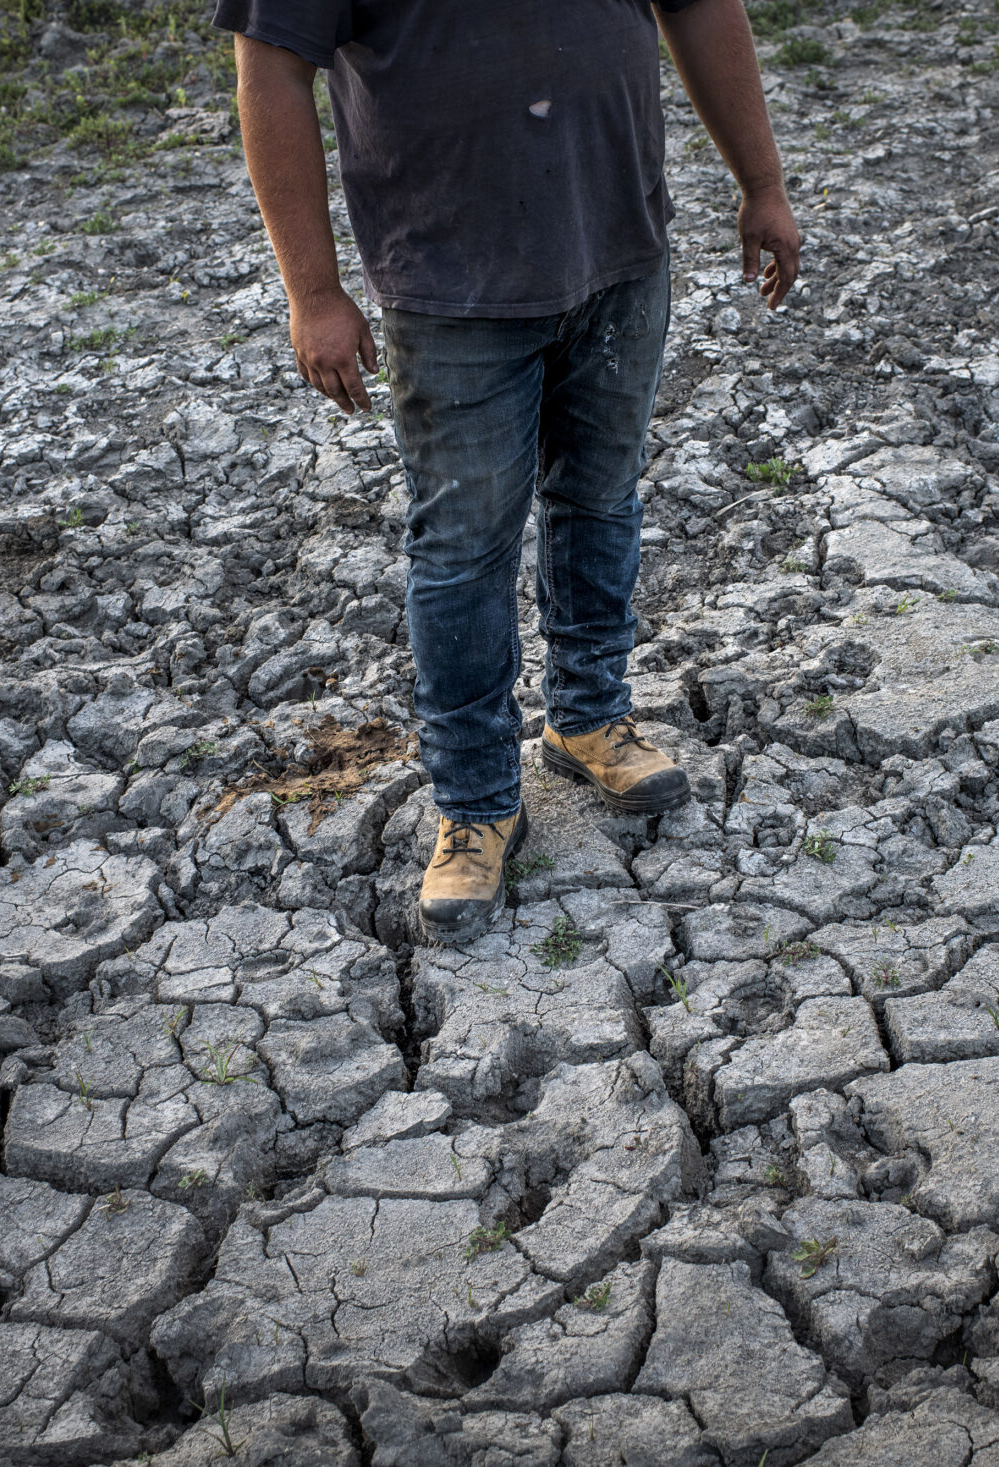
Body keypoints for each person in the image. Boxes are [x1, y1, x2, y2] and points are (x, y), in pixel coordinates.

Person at [215, 0, 800, 941]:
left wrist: (761, 182)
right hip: (450, 286)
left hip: (618, 248)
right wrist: (314, 292)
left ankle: (589, 717)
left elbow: (700, 6)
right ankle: (478, 800)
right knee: (462, 548)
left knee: (602, 496)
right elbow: (271, 68)